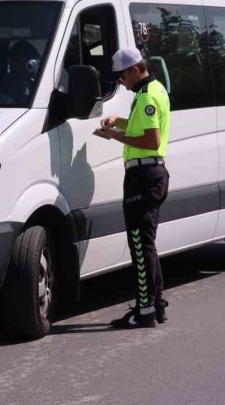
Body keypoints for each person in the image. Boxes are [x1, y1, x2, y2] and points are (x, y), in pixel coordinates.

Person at [98, 46, 171, 329]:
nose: (120, 82)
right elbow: (142, 127)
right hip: (150, 174)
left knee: (140, 246)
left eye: (121, 77)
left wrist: (115, 137)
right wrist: (119, 122)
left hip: (144, 175)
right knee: (148, 244)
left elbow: (151, 140)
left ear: (135, 70)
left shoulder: (148, 96)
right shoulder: (151, 91)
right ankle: (157, 305)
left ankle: (145, 310)